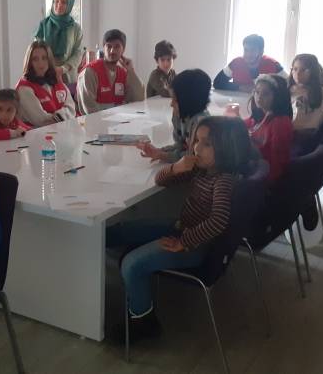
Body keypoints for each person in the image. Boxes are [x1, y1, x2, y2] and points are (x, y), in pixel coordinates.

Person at [106, 116, 256, 343]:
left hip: (196, 245)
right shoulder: (202, 169)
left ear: (227, 148)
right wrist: (177, 167)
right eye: (197, 141)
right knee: (120, 231)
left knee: (132, 264)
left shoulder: (223, 180)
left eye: (207, 144)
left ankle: (143, 321)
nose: (197, 148)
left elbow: (218, 220)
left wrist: (184, 242)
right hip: (182, 228)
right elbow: (161, 181)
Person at [137, 69, 212, 164]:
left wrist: (163, 155)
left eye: (175, 100)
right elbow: (181, 145)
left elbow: (193, 157)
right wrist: (160, 151)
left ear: (188, 102)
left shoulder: (201, 124)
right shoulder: (179, 114)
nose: (171, 104)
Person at [77, 29, 144, 115]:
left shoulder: (124, 73)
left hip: (118, 120)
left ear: (123, 50)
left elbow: (139, 99)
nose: (112, 51)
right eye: (109, 46)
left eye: (117, 47)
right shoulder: (90, 72)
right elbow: (90, 109)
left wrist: (131, 71)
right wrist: (116, 110)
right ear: (103, 48)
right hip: (92, 121)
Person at [15, 40, 77, 127]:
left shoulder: (56, 80)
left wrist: (58, 116)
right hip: (36, 133)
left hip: (62, 130)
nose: (40, 63)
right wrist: (62, 117)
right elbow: (41, 120)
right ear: (29, 62)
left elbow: (72, 108)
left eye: (44, 58)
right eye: (35, 59)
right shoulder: (24, 88)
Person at [244, 75, 293, 183]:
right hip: (254, 167)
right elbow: (242, 125)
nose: (259, 97)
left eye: (265, 94)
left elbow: (278, 163)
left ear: (278, 97)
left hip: (264, 176)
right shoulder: (260, 114)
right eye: (257, 92)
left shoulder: (280, 123)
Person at [34, 0, 84, 84]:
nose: (59, 5)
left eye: (63, 2)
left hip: (68, 75)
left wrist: (63, 69)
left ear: (69, 5)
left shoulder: (75, 28)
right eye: (56, 1)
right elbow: (36, 50)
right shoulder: (43, 25)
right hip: (45, 74)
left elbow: (78, 52)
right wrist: (49, 68)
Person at [213, 34, 286, 92]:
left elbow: (289, 85)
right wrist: (240, 87)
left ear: (261, 52)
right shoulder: (236, 63)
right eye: (246, 50)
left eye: (252, 50)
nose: (248, 54)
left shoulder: (273, 64)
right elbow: (217, 83)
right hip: (239, 102)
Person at [289, 53, 323, 133]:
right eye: (295, 69)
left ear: (313, 72)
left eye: (303, 70)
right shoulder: (288, 90)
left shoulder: (321, 90)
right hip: (292, 131)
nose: (298, 73)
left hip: (311, 133)